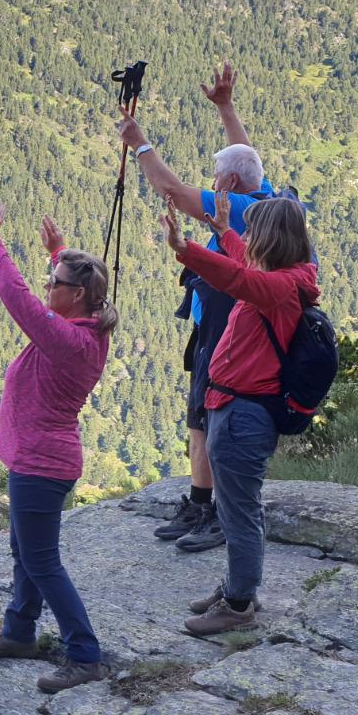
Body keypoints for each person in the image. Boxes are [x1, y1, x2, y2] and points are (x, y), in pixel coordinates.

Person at [119, 63, 275, 553]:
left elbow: (174, 193)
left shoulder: (245, 210)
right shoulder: (262, 195)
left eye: (216, 176)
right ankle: (200, 500)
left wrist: (139, 143)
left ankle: (217, 513)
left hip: (230, 332)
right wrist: (226, 109)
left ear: (227, 181)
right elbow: (245, 160)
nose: (211, 181)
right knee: (198, 416)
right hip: (217, 327)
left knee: (212, 418)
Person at [0, 204, 118, 693]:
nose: (46, 287)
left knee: (42, 560)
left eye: (53, 281)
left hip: (41, 462)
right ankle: (19, 631)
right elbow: (68, 289)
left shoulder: (66, 339)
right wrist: (60, 251)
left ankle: (85, 654)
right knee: (25, 550)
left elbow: (15, 295)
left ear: (76, 295)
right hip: (39, 458)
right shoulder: (81, 326)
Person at [158, 193, 319, 635]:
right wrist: (223, 232)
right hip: (237, 407)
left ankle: (239, 604)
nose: (248, 240)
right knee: (235, 509)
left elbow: (237, 279)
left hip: (243, 414)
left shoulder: (279, 289)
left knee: (239, 512)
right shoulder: (288, 277)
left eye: (253, 233)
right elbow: (244, 266)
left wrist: (186, 250)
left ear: (270, 239)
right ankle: (237, 586)